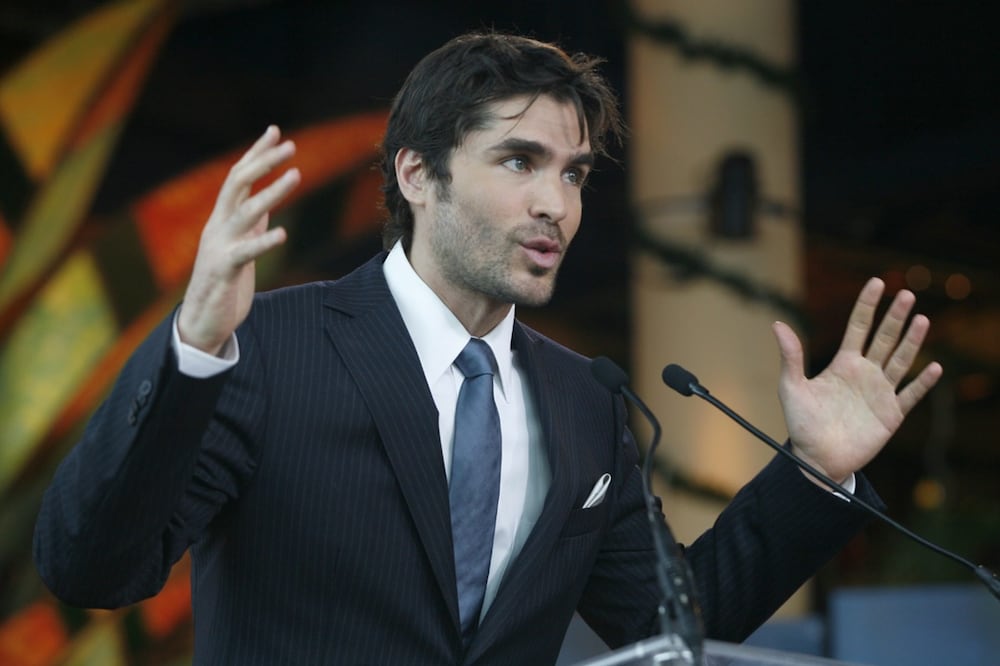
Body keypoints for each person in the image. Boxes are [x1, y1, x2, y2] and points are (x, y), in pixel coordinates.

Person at [34, 32, 942, 665]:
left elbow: (675, 621)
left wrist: (814, 473)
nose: (558, 203)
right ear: (417, 174)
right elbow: (94, 570)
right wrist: (193, 349)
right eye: (520, 162)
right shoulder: (266, 347)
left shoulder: (586, 400)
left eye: (575, 173)